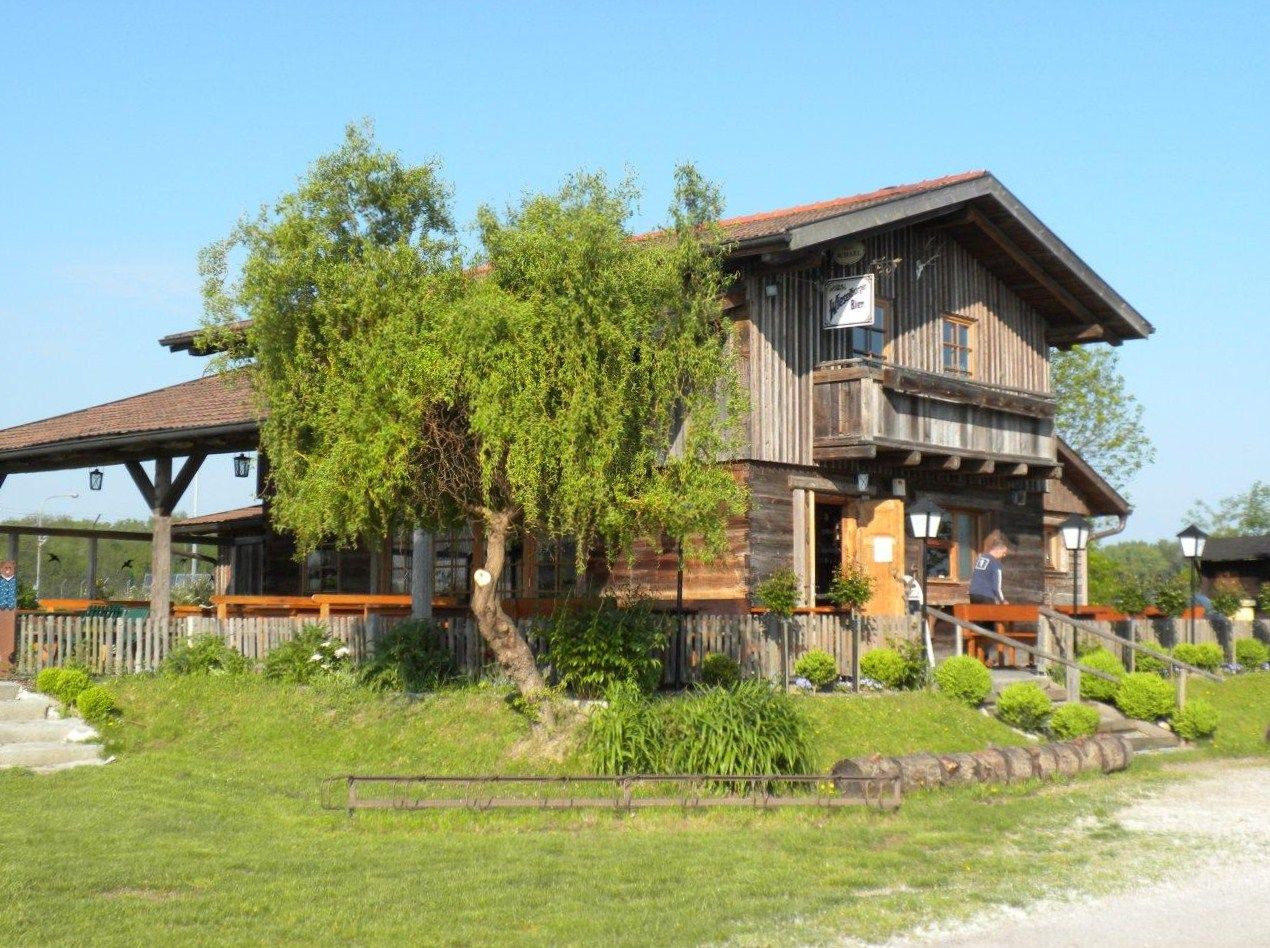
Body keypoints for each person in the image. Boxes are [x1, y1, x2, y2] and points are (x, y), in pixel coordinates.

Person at [968, 532, 1009, 605]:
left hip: (973, 594)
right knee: (990, 616)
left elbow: (974, 576)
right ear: (998, 550)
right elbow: (997, 586)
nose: (1004, 555)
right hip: (986, 595)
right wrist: (1002, 600)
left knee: (976, 616)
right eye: (1004, 552)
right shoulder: (995, 563)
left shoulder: (980, 558)